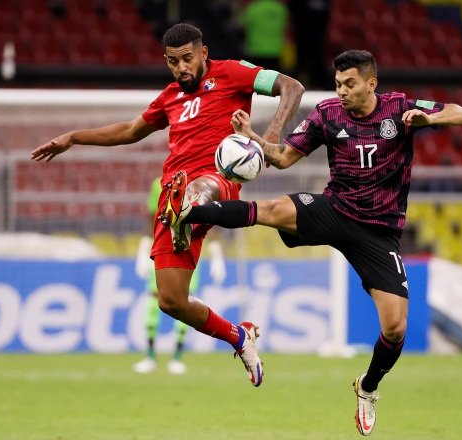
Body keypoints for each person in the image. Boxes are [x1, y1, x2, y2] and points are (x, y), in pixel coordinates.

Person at [163, 50, 462, 435]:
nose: (341, 91)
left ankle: (368, 386)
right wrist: (253, 139)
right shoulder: (327, 113)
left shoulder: (399, 109)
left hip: (378, 231)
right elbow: (284, 158)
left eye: (350, 84)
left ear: (371, 83)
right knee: (272, 208)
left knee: (394, 329)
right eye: (338, 83)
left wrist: (431, 118)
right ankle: (189, 213)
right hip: (335, 209)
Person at [31, 23, 304, 387]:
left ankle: (190, 210)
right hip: (171, 194)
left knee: (200, 189)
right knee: (171, 300)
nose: (181, 68)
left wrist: (270, 135)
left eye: (187, 59)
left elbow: (292, 86)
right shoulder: (169, 97)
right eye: (173, 62)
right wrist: (73, 138)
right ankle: (240, 338)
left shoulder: (233, 72)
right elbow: (130, 131)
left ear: (203, 53)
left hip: (217, 179)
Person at [133, 177, 226, 375]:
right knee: (154, 300)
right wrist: (143, 248)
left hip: (190, 253)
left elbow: (211, 219)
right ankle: (150, 355)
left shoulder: (202, 184)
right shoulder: (157, 184)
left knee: (184, 302)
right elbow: (152, 218)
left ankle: (177, 357)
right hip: (161, 252)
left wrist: (217, 254)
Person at [239, 0, 289, 71]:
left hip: (256, 49)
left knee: (257, 78)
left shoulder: (253, 8)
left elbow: (241, 24)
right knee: (274, 78)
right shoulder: (280, 8)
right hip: (276, 49)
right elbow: (285, 26)